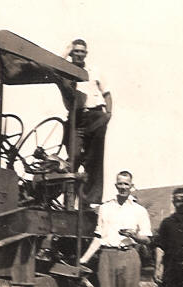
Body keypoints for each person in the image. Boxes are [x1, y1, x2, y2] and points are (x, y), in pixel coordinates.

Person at [80, 171, 152, 287]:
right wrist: (84, 260)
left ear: (131, 186)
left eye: (126, 184)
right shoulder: (105, 208)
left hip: (129, 255)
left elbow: (146, 239)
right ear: (115, 185)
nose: (122, 187)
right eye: (119, 184)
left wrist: (134, 235)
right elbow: (98, 237)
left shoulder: (139, 211)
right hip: (107, 256)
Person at [58, 38, 112, 206]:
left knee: (94, 160)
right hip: (77, 118)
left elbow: (107, 93)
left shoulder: (95, 71)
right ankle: (68, 203)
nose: (79, 55)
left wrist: (108, 114)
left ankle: (88, 202)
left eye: (82, 51)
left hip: (96, 116)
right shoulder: (65, 71)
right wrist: (65, 52)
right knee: (73, 158)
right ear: (72, 54)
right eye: (76, 52)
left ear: (86, 54)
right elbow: (54, 66)